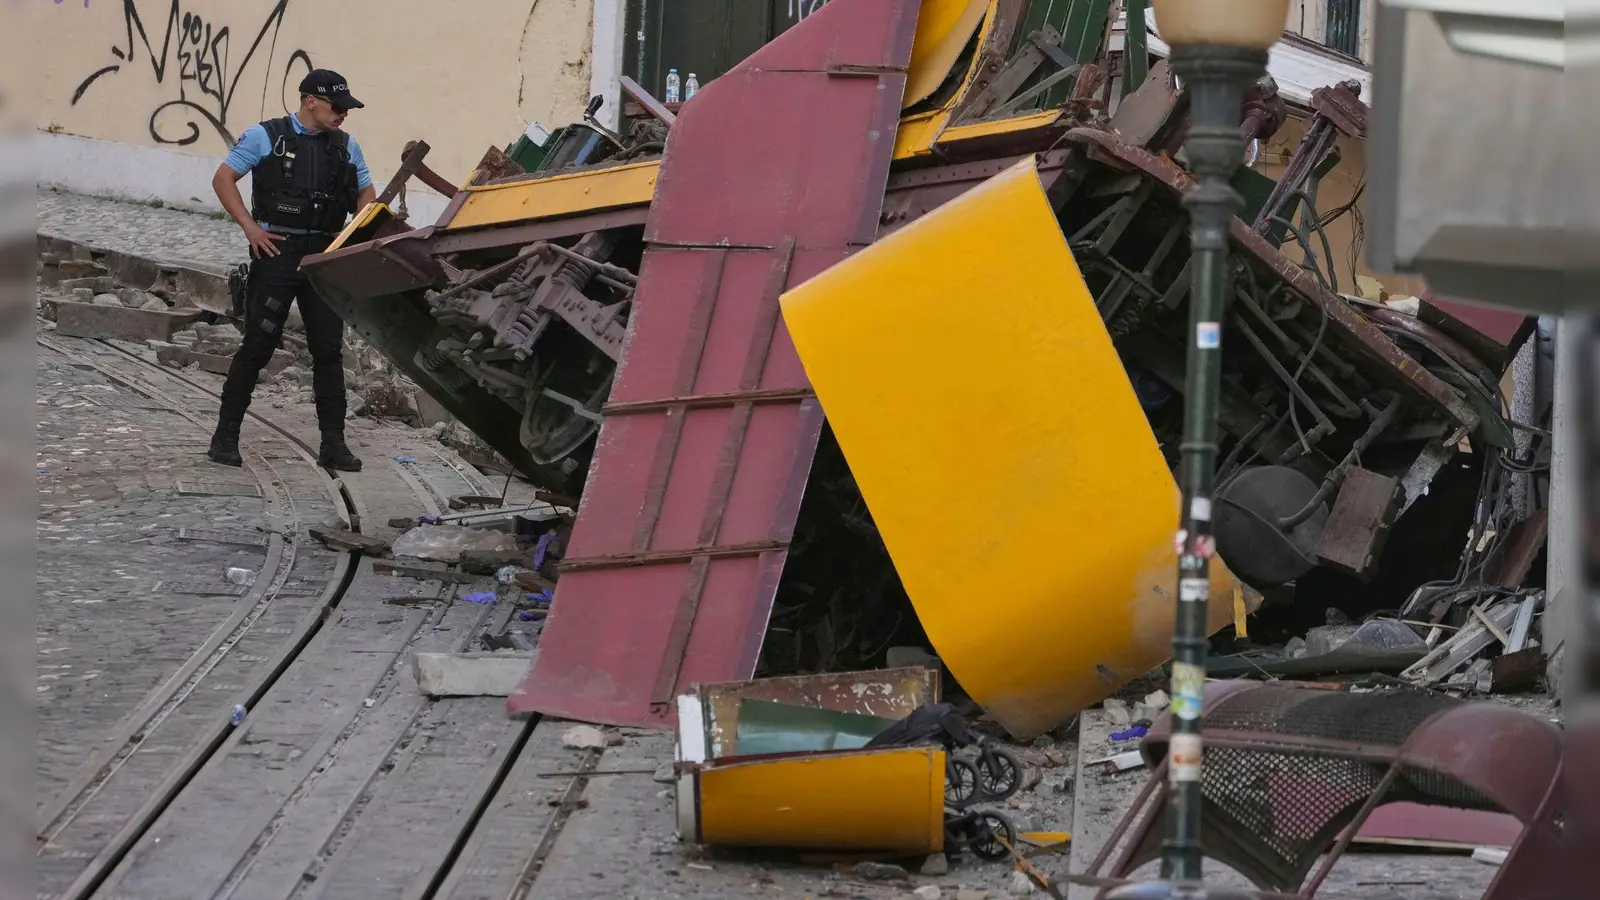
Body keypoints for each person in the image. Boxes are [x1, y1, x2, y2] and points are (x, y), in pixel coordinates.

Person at [205, 69, 377, 472]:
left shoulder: (347, 146)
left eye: (347, 109)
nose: (344, 115)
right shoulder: (267, 135)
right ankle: (224, 438)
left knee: (329, 352)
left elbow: (366, 191)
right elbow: (223, 178)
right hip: (277, 252)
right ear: (309, 100)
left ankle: (333, 444)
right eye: (338, 107)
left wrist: (357, 229)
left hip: (323, 255)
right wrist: (250, 227)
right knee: (257, 347)